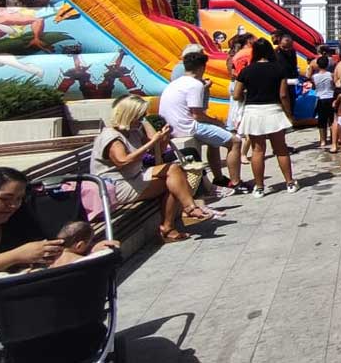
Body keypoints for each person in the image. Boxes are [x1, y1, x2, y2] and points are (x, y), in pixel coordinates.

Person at [0, 168, 66, 361]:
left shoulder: (18, 222)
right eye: (4, 198)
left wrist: (92, 249)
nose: (13, 205)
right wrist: (15, 256)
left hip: (3, 306)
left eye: (18, 199)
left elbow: (49, 249)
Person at [92, 96, 217, 241]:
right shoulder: (112, 136)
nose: (141, 120)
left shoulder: (133, 131)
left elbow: (155, 151)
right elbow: (122, 161)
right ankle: (171, 225)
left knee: (174, 170)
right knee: (172, 184)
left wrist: (162, 139)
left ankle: (189, 209)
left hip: (134, 176)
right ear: (129, 114)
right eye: (139, 116)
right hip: (116, 185)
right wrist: (152, 142)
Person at [158, 51, 242, 192]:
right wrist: (217, 122)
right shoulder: (195, 85)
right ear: (202, 68)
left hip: (172, 126)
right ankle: (236, 182)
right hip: (188, 127)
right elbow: (197, 115)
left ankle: (219, 178)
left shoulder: (175, 83)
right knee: (235, 141)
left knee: (214, 140)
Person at [232, 39, 298, 197]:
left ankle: (259, 187)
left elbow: (236, 95)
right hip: (273, 110)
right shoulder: (278, 69)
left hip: (253, 112)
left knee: (257, 150)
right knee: (281, 149)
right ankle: (289, 182)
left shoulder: (246, 71)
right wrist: (289, 115)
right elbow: (283, 95)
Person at [312, 55, 336, 153]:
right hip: (330, 97)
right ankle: (333, 138)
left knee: (321, 121)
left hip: (320, 98)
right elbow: (334, 85)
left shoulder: (314, 76)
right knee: (332, 120)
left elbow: (314, 87)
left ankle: (323, 140)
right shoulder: (331, 75)